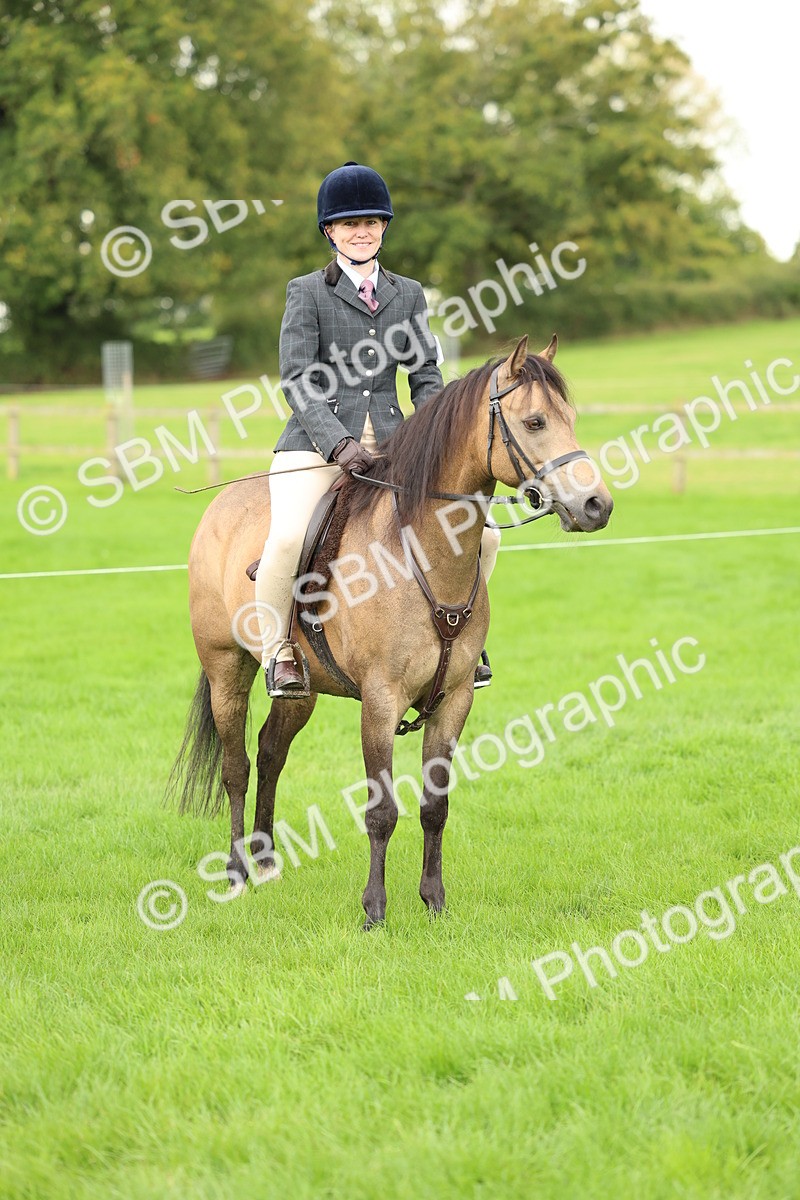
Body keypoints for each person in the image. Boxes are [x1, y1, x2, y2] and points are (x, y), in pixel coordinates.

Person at [255, 161, 499, 697]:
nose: (361, 231)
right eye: (348, 224)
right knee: (289, 538)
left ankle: (464, 643)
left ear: (384, 226)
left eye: (370, 221)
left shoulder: (408, 294)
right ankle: (278, 652)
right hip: (316, 444)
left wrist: (439, 435)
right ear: (330, 232)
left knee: (484, 534)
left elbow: (425, 372)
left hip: (395, 444)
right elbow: (296, 379)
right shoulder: (306, 293)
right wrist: (338, 443)